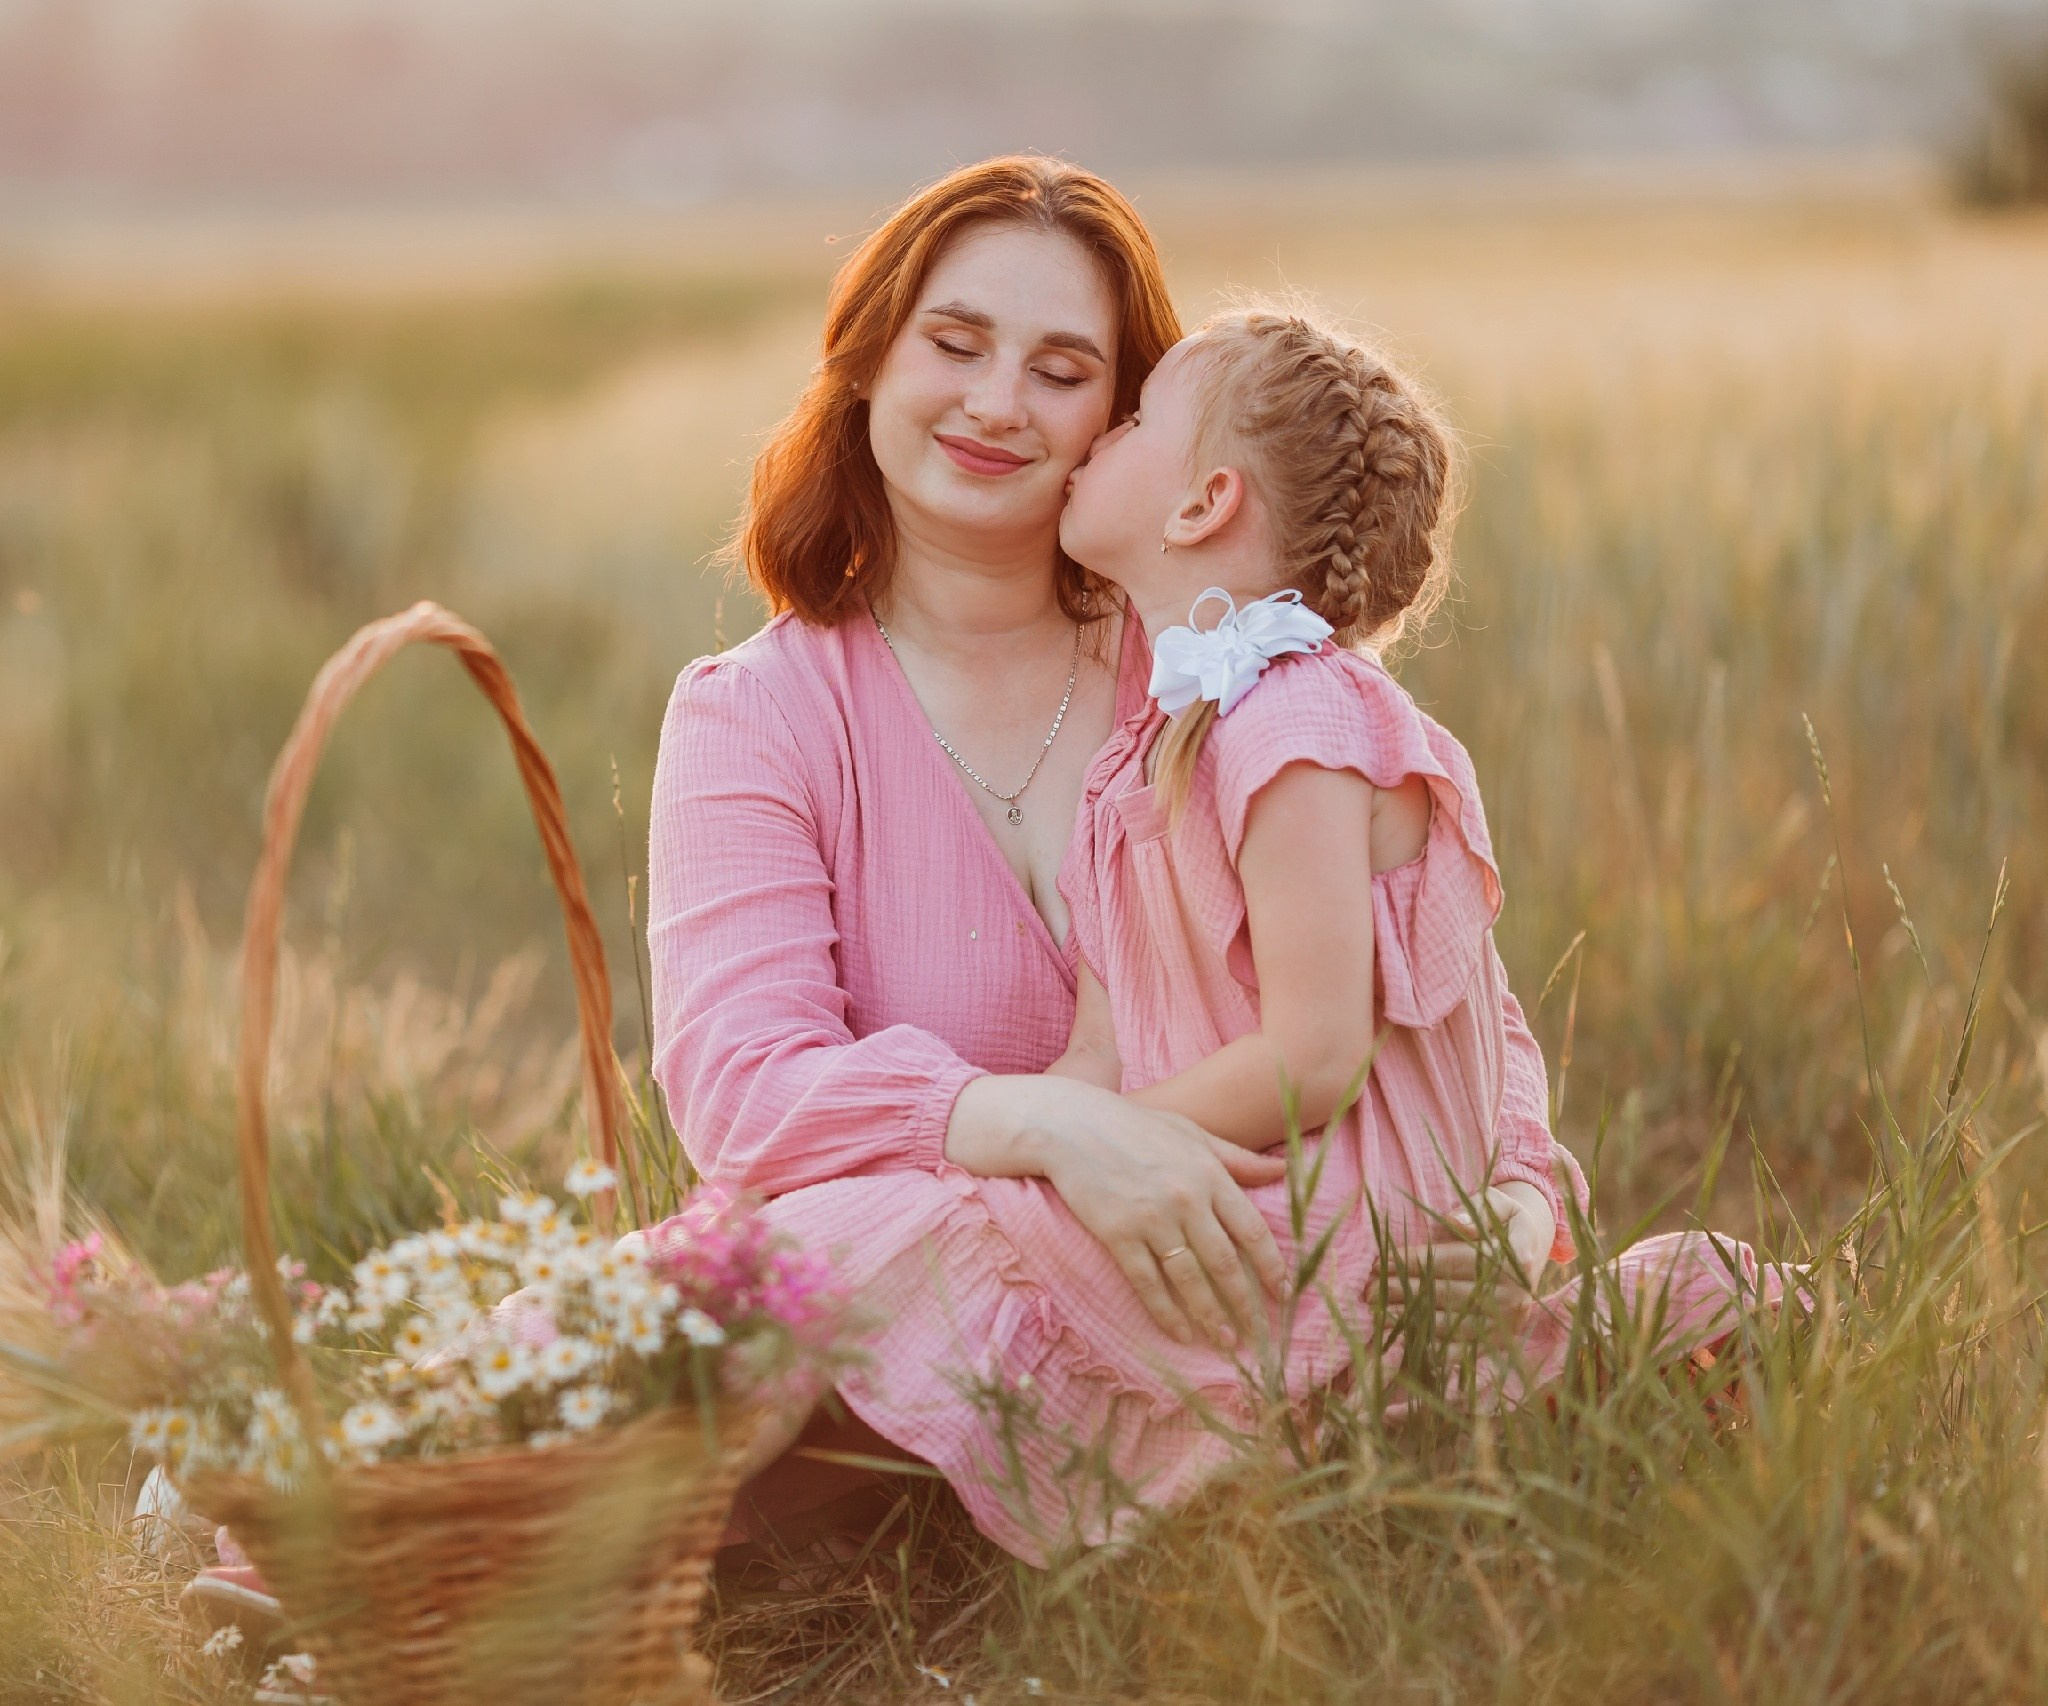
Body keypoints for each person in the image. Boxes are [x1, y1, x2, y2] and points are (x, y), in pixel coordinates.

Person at [647, 166, 1780, 1568]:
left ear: (1131, 433)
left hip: (1248, 1261)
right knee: (764, 1277)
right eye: (956, 343)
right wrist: (1062, 1134)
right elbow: (744, 1090)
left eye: (1064, 372)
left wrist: (1516, 1195)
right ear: (872, 356)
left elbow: (1439, 991)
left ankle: (1340, 1466)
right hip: (969, 1267)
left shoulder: (1220, 671)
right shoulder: (756, 712)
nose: (998, 402)